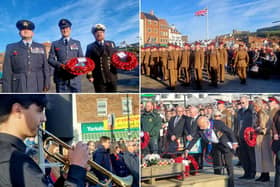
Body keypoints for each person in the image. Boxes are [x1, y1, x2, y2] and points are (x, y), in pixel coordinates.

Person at [0, 94, 88, 186]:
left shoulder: (9, 155)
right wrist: (77, 168)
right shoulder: (14, 161)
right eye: (39, 111)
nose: (44, 118)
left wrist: (67, 177)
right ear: (17, 110)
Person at [184, 116, 238, 187]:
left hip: (225, 144)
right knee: (217, 165)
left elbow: (229, 131)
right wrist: (187, 149)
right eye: (200, 126)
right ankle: (219, 183)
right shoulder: (200, 128)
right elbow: (195, 139)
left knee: (228, 164)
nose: (201, 128)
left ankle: (231, 184)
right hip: (215, 145)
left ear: (207, 122)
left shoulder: (217, 123)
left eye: (202, 126)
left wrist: (234, 142)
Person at [2, 20, 50, 92]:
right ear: (19, 33)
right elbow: (7, 71)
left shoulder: (41, 47)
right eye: (23, 29)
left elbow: (46, 67)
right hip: (18, 85)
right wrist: (6, 91)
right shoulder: (11, 48)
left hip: (37, 84)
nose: (26, 31)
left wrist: (47, 82)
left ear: (32, 33)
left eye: (28, 29)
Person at [48, 19, 84, 92]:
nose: (64, 30)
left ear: (70, 29)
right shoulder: (55, 44)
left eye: (66, 28)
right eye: (62, 28)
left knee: (76, 99)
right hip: (61, 79)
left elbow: (81, 58)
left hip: (75, 79)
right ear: (60, 30)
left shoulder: (77, 43)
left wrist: (77, 67)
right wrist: (60, 65)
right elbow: (50, 59)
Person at [86, 24, 117, 92]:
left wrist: (125, 65)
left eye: (101, 32)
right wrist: (90, 76)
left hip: (112, 76)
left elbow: (117, 57)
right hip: (98, 78)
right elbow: (88, 63)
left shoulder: (111, 44)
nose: (99, 34)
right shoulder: (90, 47)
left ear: (104, 33)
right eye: (97, 33)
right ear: (94, 35)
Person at [234, 96, 256, 179]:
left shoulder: (251, 111)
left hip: (249, 137)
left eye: (243, 102)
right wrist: (235, 136)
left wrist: (252, 135)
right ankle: (246, 173)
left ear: (247, 102)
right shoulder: (239, 112)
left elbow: (254, 124)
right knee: (243, 157)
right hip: (240, 137)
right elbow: (236, 125)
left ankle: (252, 173)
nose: (241, 104)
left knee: (251, 156)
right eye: (240, 103)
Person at [253, 98, 274, 182]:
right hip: (261, 138)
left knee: (264, 157)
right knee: (261, 157)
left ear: (259, 106)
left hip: (263, 139)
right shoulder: (258, 113)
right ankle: (263, 174)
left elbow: (263, 126)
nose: (254, 108)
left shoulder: (261, 113)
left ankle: (266, 175)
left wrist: (256, 129)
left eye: (255, 106)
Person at [272, 110, 280, 187]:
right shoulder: (277, 113)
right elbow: (273, 124)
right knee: (278, 168)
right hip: (278, 144)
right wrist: (275, 133)